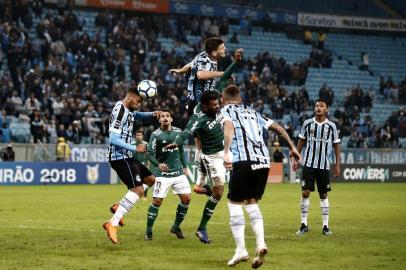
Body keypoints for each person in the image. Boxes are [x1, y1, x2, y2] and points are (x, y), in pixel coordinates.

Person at [221, 85, 301, 268]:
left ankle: (241, 250)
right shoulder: (253, 112)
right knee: (251, 202)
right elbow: (279, 128)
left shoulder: (224, 111)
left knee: (234, 203)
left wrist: (226, 152)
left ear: (223, 99)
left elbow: (229, 127)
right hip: (263, 162)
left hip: (243, 160)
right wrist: (293, 148)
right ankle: (260, 243)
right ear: (240, 99)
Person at [102, 86, 161, 244]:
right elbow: (113, 139)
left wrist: (152, 114)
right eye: (139, 100)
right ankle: (112, 223)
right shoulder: (120, 111)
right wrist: (135, 147)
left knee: (150, 179)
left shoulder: (126, 109)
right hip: (120, 157)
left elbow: (136, 114)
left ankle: (119, 206)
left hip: (127, 156)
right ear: (130, 97)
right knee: (138, 189)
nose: (140, 104)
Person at [165, 90, 225, 244]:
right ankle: (202, 228)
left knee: (217, 192)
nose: (217, 107)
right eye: (214, 105)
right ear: (204, 106)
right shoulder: (197, 118)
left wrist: (232, 65)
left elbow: (222, 81)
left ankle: (202, 185)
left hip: (219, 154)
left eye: (217, 103)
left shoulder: (206, 104)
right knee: (218, 194)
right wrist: (177, 143)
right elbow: (186, 132)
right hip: (212, 158)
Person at [295, 98, 341, 236]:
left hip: (323, 166)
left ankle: (325, 226)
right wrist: (296, 158)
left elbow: (336, 145)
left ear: (326, 109)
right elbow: (302, 141)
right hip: (308, 164)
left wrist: (338, 164)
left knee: (323, 195)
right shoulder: (307, 124)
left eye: (322, 106)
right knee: (305, 193)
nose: (319, 108)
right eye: (316, 106)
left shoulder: (332, 126)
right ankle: (304, 224)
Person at [144, 110, 191, 240]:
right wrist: (158, 164)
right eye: (162, 116)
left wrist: (185, 166)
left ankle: (175, 227)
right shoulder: (156, 135)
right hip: (162, 174)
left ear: (171, 119)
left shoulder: (178, 132)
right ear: (159, 120)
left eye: (167, 116)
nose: (165, 118)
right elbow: (150, 153)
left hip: (178, 173)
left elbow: (181, 150)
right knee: (157, 202)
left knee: (186, 199)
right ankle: (148, 231)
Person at [133, 130, 149, 201]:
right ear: (135, 136)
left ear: (142, 136)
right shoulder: (131, 144)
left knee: (145, 181)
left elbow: (147, 155)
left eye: (140, 135)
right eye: (137, 135)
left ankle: (145, 196)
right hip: (134, 165)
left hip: (143, 165)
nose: (139, 137)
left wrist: (148, 165)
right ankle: (135, 195)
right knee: (135, 181)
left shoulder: (146, 144)